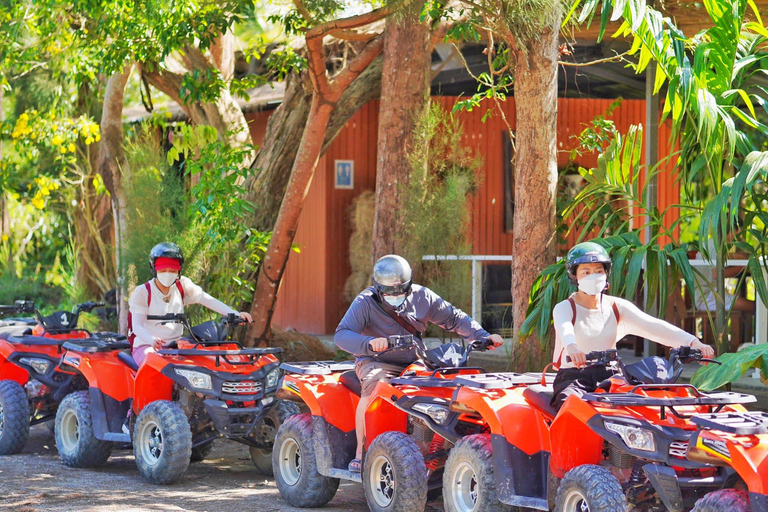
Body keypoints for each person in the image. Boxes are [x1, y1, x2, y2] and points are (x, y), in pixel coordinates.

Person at [335, 254, 504, 472]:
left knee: (436, 391)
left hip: (414, 359)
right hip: (376, 360)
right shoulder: (364, 302)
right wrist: (369, 343)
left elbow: (454, 318)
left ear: (409, 284)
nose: (395, 295)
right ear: (377, 287)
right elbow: (341, 335)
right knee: (375, 387)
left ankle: (429, 448)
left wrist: (481, 335)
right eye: (389, 291)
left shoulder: (423, 297)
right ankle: (362, 452)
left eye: (401, 290)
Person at [552, 242, 715, 411]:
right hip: (575, 379)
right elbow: (565, 330)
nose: (593, 276)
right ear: (574, 276)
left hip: (611, 377)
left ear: (606, 274)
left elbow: (654, 326)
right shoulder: (565, 307)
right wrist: (572, 348)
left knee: (640, 411)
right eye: (586, 272)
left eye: (598, 271)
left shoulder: (616, 307)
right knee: (572, 410)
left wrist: (694, 343)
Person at [128, 242, 252, 366]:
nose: (168, 274)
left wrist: (235, 314)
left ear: (178, 270)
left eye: (172, 270)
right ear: (154, 269)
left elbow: (206, 299)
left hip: (176, 346)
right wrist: (152, 339)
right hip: (147, 346)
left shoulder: (182, 285)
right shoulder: (143, 291)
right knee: (156, 366)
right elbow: (137, 326)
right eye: (163, 270)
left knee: (204, 366)